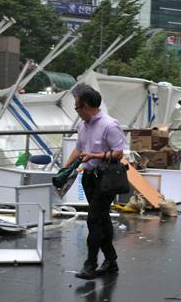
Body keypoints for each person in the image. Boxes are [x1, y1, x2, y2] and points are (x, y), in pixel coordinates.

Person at [65, 84, 127, 280]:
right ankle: (111, 261)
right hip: (89, 178)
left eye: (77, 107)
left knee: (93, 220)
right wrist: (65, 168)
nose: (76, 112)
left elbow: (119, 152)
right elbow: (79, 148)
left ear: (86, 106)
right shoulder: (83, 125)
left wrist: (95, 155)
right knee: (102, 219)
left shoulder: (110, 125)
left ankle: (90, 264)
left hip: (106, 179)